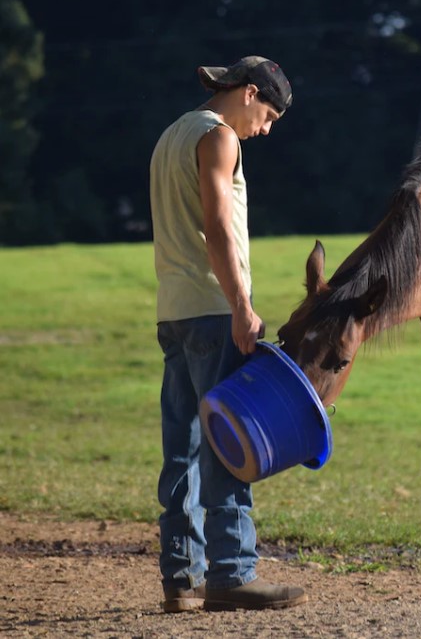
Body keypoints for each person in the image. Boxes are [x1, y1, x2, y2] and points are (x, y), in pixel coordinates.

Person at [149, 56, 306, 612]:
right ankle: (232, 572)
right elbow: (217, 225)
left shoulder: (172, 133)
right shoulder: (219, 138)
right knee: (226, 445)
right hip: (216, 311)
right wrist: (242, 306)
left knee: (183, 450)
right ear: (247, 93)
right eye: (267, 115)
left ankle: (180, 579)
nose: (264, 129)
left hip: (174, 311)